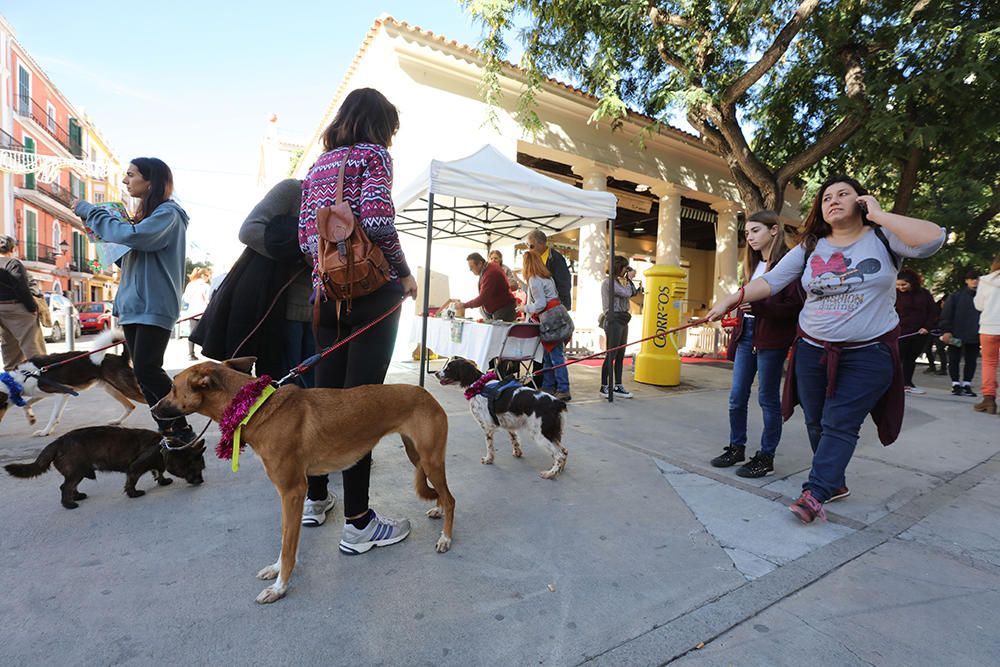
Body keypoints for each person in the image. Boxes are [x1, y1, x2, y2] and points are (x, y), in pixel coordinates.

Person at [707, 176, 945, 523]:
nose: (833, 200)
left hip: (868, 353)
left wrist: (878, 215)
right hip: (812, 350)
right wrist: (732, 299)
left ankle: (815, 491)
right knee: (817, 421)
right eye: (826, 197)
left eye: (844, 194)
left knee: (839, 422)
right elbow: (772, 280)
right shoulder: (811, 246)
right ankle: (833, 482)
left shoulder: (883, 238)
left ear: (861, 200)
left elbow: (933, 238)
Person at [298, 88, 418, 548]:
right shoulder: (375, 155)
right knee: (362, 406)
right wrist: (403, 273)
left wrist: (327, 274)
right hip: (370, 293)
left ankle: (315, 498)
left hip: (325, 295)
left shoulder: (318, 165)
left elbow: (306, 238)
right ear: (380, 124)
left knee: (324, 400)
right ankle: (359, 522)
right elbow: (379, 220)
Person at [73, 158, 196, 443]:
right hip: (133, 306)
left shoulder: (169, 214)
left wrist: (92, 212)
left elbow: (134, 237)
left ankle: (181, 430)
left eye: (131, 175)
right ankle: (169, 431)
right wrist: (100, 231)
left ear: (151, 181)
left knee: (147, 369)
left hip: (154, 305)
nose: (125, 181)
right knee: (143, 374)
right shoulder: (145, 220)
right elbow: (128, 257)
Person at [710, 211, 803, 478]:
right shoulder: (752, 264)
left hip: (771, 338)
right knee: (736, 397)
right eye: (747, 232)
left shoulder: (789, 262)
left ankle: (766, 456)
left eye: (755, 231)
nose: (749, 237)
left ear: (774, 230)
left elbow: (793, 307)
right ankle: (737, 447)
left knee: (767, 398)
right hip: (746, 334)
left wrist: (760, 307)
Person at [237, 178, 315, 387]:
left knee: (317, 396)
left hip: (326, 314)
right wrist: (302, 253)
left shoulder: (347, 196)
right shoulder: (294, 190)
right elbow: (249, 231)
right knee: (285, 395)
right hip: (286, 313)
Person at [518, 250, 570, 400]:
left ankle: (562, 389)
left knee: (555, 357)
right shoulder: (547, 277)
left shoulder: (534, 280)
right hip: (558, 316)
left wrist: (524, 308)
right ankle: (549, 386)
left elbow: (540, 304)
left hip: (549, 320)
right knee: (550, 355)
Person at [0, 235, 46, 369]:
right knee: (32, 346)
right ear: (12, 248)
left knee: (9, 345)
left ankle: (11, 378)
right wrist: (32, 308)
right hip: (17, 308)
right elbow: (21, 288)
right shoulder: (12, 263)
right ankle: (41, 377)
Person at [600, 255, 640, 399]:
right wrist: (629, 278)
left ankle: (618, 385)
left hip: (623, 319)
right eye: (624, 267)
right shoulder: (609, 282)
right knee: (611, 354)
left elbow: (634, 292)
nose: (626, 270)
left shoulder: (619, 281)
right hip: (613, 319)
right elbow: (626, 293)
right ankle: (604, 386)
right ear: (618, 267)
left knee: (621, 354)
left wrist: (629, 279)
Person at [894, 269, 938, 395]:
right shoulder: (893, 294)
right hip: (900, 332)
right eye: (898, 285)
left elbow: (932, 312)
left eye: (904, 285)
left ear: (912, 283)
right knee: (896, 359)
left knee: (910, 358)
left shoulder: (924, 294)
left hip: (920, 332)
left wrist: (927, 327)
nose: (901, 287)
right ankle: (893, 384)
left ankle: (907, 383)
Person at [940, 270, 981, 397]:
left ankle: (967, 383)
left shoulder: (984, 296)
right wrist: (946, 330)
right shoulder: (956, 296)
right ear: (966, 280)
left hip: (975, 333)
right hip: (956, 333)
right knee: (954, 359)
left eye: (977, 279)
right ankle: (955, 383)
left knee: (971, 360)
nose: (975, 281)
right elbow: (946, 314)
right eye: (972, 278)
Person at [973, 254, 1000, 414]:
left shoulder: (985, 280)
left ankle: (989, 400)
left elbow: (979, 305)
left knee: (989, 363)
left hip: (989, 327)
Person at [460, 252, 516, 322]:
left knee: (499, 332)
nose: (470, 269)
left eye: (471, 267)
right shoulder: (489, 268)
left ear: (480, 263)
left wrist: (464, 305)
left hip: (503, 310)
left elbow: (482, 298)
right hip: (501, 308)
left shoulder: (490, 273)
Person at [181, 267, 212, 361]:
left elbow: (186, 299)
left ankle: (191, 353)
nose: (208, 278)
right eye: (207, 276)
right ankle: (208, 352)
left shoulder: (190, 285)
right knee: (207, 332)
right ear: (203, 275)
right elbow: (209, 299)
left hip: (192, 312)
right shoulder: (205, 286)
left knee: (192, 333)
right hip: (203, 312)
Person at [922, 297, 948, 376]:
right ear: (942, 301)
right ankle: (931, 366)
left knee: (940, 349)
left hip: (941, 332)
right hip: (931, 330)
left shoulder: (948, 310)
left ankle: (943, 369)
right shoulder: (934, 308)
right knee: (927, 348)